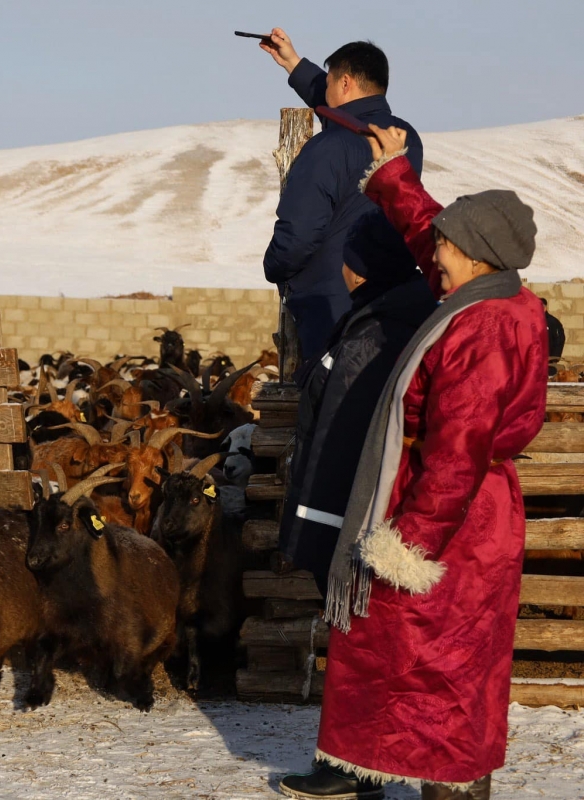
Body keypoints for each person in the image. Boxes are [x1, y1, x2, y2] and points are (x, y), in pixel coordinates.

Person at [280, 126, 547, 800]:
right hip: (463, 518)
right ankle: (409, 774)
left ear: (478, 256)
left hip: (455, 527)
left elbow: (459, 448)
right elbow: (434, 231)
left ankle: (451, 787)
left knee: (439, 664)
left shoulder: (485, 327)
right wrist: (394, 173)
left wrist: (410, 543)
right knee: (428, 659)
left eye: (450, 250)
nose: (438, 256)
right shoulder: (481, 294)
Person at [277, 208, 436, 593]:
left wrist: (315, 536)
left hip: (356, 521)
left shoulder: (372, 337)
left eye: (346, 260)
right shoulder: (390, 316)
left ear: (361, 268)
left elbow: (339, 439)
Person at [259, 29, 423, 360]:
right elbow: (346, 113)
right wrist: (294, 63)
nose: (327, 88)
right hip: (390, 298)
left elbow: (299, 233)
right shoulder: (406, 139)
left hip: (330, 306)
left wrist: (275, 269)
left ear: (345, 83)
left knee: (328, 400)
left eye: (332, 81)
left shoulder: (327, 147)